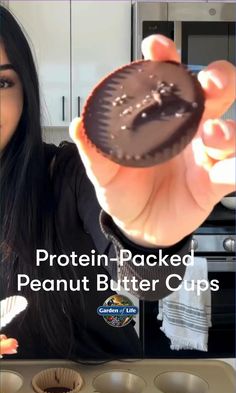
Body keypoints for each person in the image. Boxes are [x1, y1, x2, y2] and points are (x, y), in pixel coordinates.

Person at [0, 5, 235, 360]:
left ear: (25, 91)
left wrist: (147, 243)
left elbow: (147, 282)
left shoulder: (69, 172)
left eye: (2, 82)